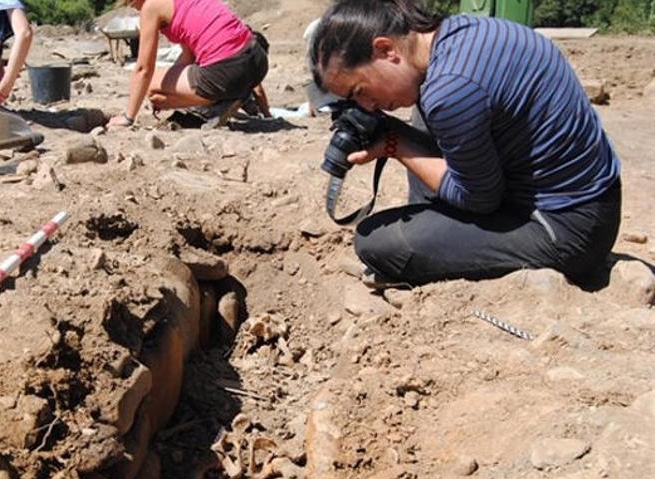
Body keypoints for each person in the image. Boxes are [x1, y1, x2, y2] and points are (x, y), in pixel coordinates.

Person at [309, 0, 621, 288]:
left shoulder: (449, 90)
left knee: (377, 243)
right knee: (422, 109)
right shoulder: (458, 34)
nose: (367, 106)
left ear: (386, 49)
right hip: (586, 203)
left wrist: (396, 144)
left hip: (566, 230)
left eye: (360, 90)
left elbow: (480, 200)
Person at [107, 0, 270, 129]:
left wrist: (128, 117)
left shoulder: (151, 6)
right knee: (159, 97)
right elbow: (188, 56)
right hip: (257, 59)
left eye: (132, 3)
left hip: (225, 70)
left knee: (152, 89)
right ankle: (233, 96)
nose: (135, 9)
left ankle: (219, 103)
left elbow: (144, 69)